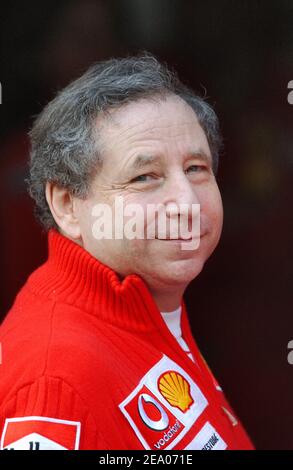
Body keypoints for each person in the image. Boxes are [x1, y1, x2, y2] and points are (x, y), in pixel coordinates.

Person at [0, 53, 254, 450]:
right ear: (67, 205)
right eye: (145, 177)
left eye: (196, 168)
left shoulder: (150, 305)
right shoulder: (55, 384)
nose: (186, 202)